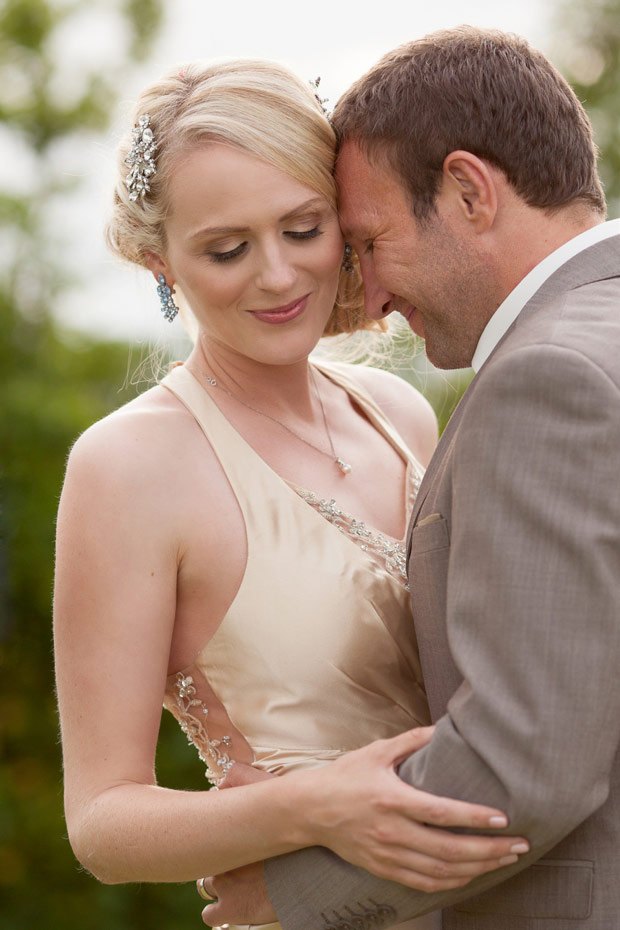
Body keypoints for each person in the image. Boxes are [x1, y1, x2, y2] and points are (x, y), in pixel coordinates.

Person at [52, 59, 528, 930]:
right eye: (227, 249)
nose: (277, 277)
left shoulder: (399, 411)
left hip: (489, 900)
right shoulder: (127, 468)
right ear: (161, 263)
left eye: (303, 229)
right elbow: (103, 822)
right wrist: (307, 809)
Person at [206, 26, 620, 930]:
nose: (373, 295)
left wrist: (292, 895)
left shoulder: (551, 382)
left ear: (468, 191)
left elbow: (527, 760)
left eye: (369, 241)